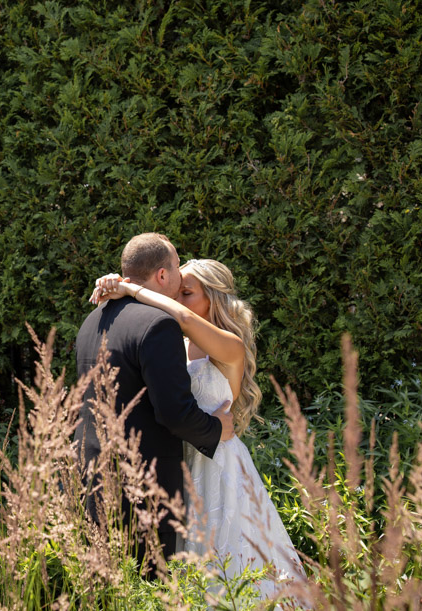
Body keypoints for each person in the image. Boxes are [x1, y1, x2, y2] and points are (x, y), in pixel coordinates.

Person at [90, 258, 304, 595]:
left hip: (217, 463)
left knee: (228, 561)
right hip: (179, 460)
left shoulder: (230, 345)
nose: (176, 298)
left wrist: (130, 288)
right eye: (174, 291)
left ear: (213, 299)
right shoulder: (172, 342)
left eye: (186, 292)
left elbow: (186, 318)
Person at [74, 233, 234, 577]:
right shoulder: (159, 325)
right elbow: (175, 413)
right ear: (163, 274)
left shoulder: (92, 321)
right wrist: (218, 428)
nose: (178, 281)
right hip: (143, 492)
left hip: (91, 479)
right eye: (176, 268)